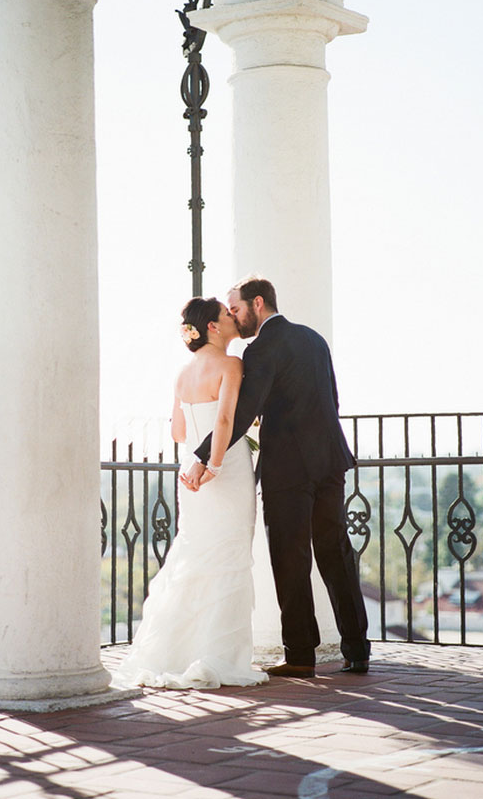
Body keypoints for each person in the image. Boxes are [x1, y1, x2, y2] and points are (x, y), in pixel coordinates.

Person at [181, 277, 370, 677]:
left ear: (258, 304)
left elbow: (244, 410)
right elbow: (332, 399)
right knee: (336, 552)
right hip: (330, 460)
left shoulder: (261, 349)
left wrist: (201, 458)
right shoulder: (314, 338)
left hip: (289, 468)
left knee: (291, 558)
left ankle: (301, 655)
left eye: (235, 309)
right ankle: (357, 648)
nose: (233, 316)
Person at [112, 296, 267, 689]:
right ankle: (219, 656)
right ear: (212, 327)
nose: (233, 318)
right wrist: (214, 465)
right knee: (229, 556)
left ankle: (175, 652)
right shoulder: (232, 365)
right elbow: (227, 419)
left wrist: (198, 462)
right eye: (226, 315)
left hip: (189, 475)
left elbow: (179, 433)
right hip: (224, 470)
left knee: (195, 556)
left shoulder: (182, 375)